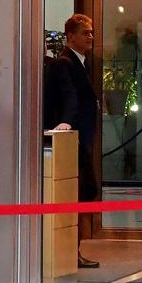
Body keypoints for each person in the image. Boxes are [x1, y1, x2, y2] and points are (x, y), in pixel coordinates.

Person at [44, 14, 101, 268]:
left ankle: (72, 250)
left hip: (80, 140)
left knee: (85, 190)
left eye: (91, 32)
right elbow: (70, 97)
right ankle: (69, 251)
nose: (90, 37)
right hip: (71, 142)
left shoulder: (80, 62)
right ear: (71, 36)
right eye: (85, 33)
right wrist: (66, 122)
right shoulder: (64, 63)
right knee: (77, 192)